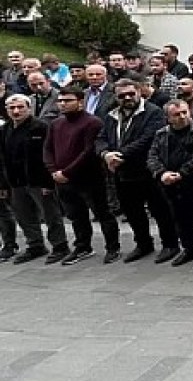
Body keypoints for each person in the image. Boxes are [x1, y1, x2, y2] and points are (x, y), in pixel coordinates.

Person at [96, 78, 178, 264]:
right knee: (132, 211)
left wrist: (119, 155)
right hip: (121, 172)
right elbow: (101, 137)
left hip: (148, 170)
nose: (127, 98)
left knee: (160, 210)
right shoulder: (111, 114)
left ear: (140, 92)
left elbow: (148, 139)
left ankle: (170, 244)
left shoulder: (153, 112)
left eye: (131, 94)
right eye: (122, 95)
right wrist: (105, 153)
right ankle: (143, 243)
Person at [43, 87, 122, 264]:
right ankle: (83, 246)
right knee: (76, 215)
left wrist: (66, 172)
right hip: (62, 179)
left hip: (89, 177)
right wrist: (53, 170)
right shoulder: (56, 124)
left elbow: (88, 151)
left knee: (103, 213)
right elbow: (48, 148)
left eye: (68, 100)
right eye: (60, 101)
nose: (63, 104)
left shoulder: (92, 122)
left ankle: (113, 247)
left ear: (80, 102)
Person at [147, 99, 193, 266]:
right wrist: (161, 173)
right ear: (168, 117)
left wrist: (181, 174)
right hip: (171, 184)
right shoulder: (161, 134)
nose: (182, 117)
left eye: (184, 112)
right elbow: (152, 156)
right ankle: (190, 248)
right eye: (176, 114)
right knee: (181, 219)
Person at [0, 94, 69, 264]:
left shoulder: (41, 127)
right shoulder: (4, 130)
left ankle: (60, 246)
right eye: (12, 108)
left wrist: (48, 182)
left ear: (29, 108)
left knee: (50, 215)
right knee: (24, 216)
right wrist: (3, 183)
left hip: (39, 181)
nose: (16, 111)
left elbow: (49, 155)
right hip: (15, 181)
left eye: (20, 107)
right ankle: (35, 245)